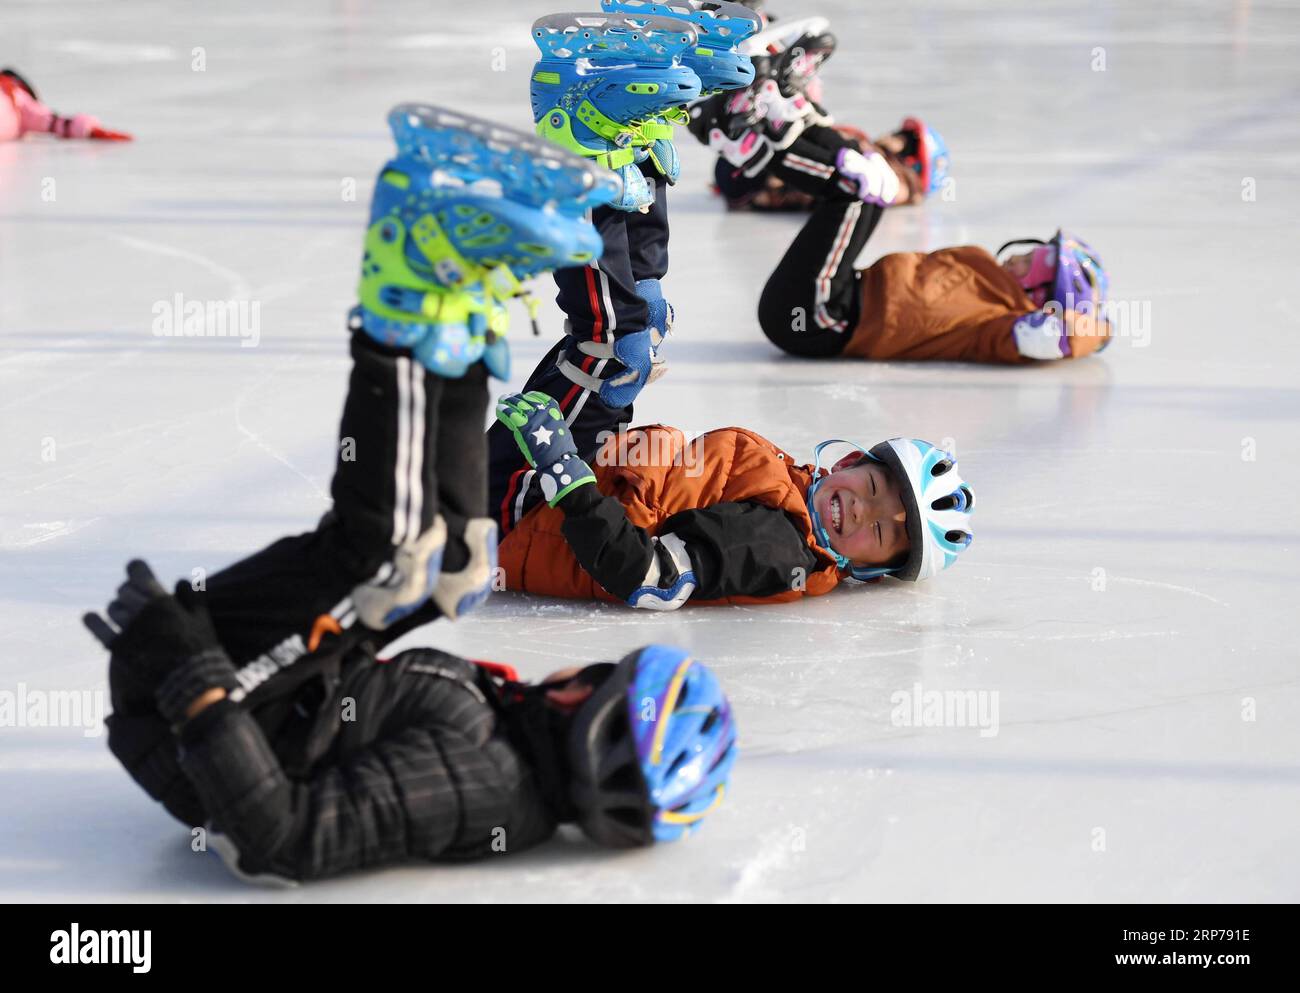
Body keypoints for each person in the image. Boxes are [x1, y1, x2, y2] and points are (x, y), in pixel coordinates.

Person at [82, 105, 737, 881]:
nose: (574, 672)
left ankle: (398, 311)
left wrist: (192, 681)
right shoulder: (512, 749)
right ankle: (455, 312)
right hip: (274, 691)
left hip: (196, 702)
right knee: (459, 566)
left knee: (394, 555)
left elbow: (283, 839)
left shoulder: (481, 782)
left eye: (598, 675)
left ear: (582, 704)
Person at [0, 67, 131, 141]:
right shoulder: (19, 99)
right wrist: (90, 130)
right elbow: (57, 124)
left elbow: (56, 123)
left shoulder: (19, 103)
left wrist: (91, 130)